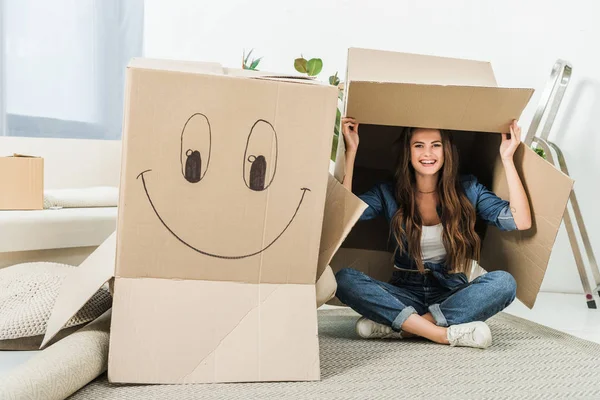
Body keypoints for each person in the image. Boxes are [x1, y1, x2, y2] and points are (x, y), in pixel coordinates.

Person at [336, 117, 532, 349]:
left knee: (504, 283)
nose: (427, 153)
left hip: (450, 291)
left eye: (436, 145)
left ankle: (407, 328)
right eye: (419, 145)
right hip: (405, 290)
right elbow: (344, 216)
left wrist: (508, 158)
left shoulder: (468, 189)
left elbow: (520, 221)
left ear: (446, 150)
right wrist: (351, 152)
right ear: (408, 152)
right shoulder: (388, 192)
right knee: (343, 279)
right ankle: (442, 334)